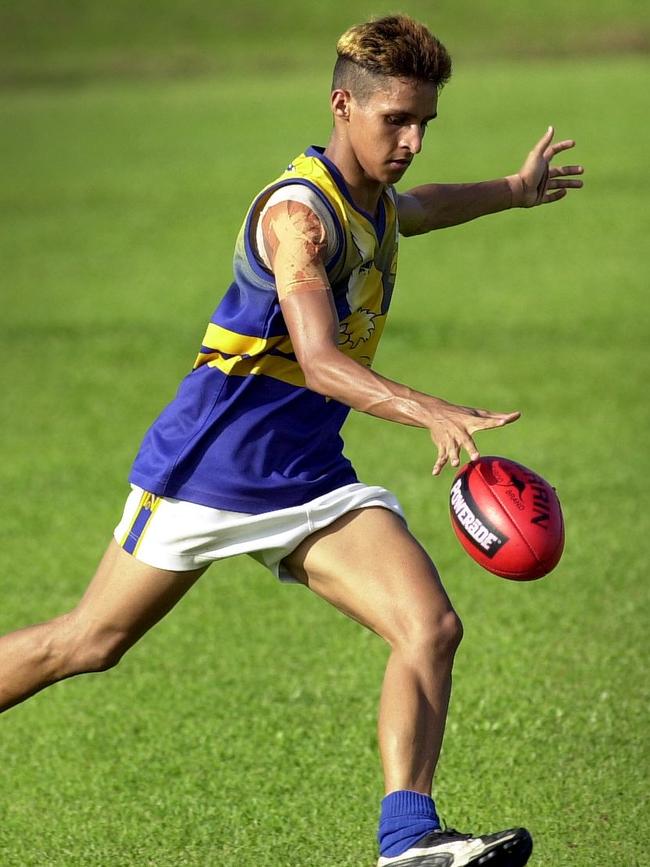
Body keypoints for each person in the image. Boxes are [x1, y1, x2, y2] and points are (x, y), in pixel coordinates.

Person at [0, 14, 583, 867]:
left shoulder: (375, 199)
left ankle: (408, 839)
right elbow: (316, 359)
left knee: (429, 626)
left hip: (306, 473)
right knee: (89, 642)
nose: (414, 141)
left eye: (426, 122)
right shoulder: (296, 219)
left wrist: (511, 188)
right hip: (209, 467)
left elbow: (417, 211)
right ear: (344, 105)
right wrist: (425, 408)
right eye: (398, 121)